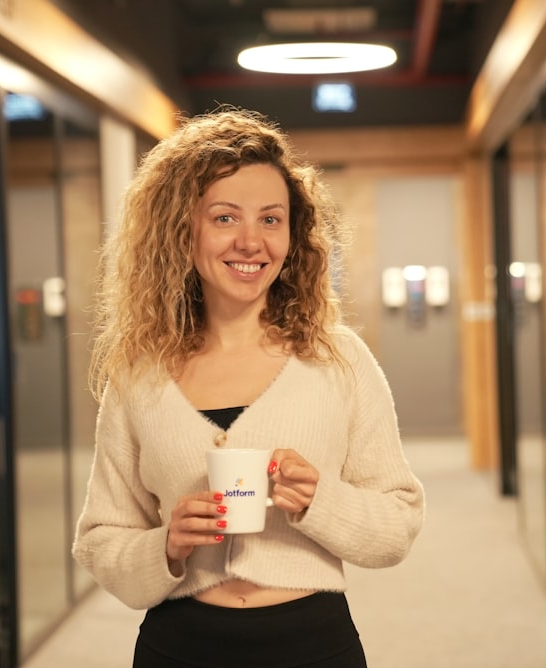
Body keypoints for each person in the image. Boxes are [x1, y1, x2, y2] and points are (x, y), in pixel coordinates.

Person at [72, 107, 425, 667]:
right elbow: (100, 537)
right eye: (224, 218)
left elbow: (397, 524)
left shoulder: (338, 360)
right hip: (179, 645)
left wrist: (320, 501)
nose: (251, 241)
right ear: (181, 231)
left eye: (270, 219)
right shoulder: (139, 374)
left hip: (313, 643)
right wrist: (164, 544)